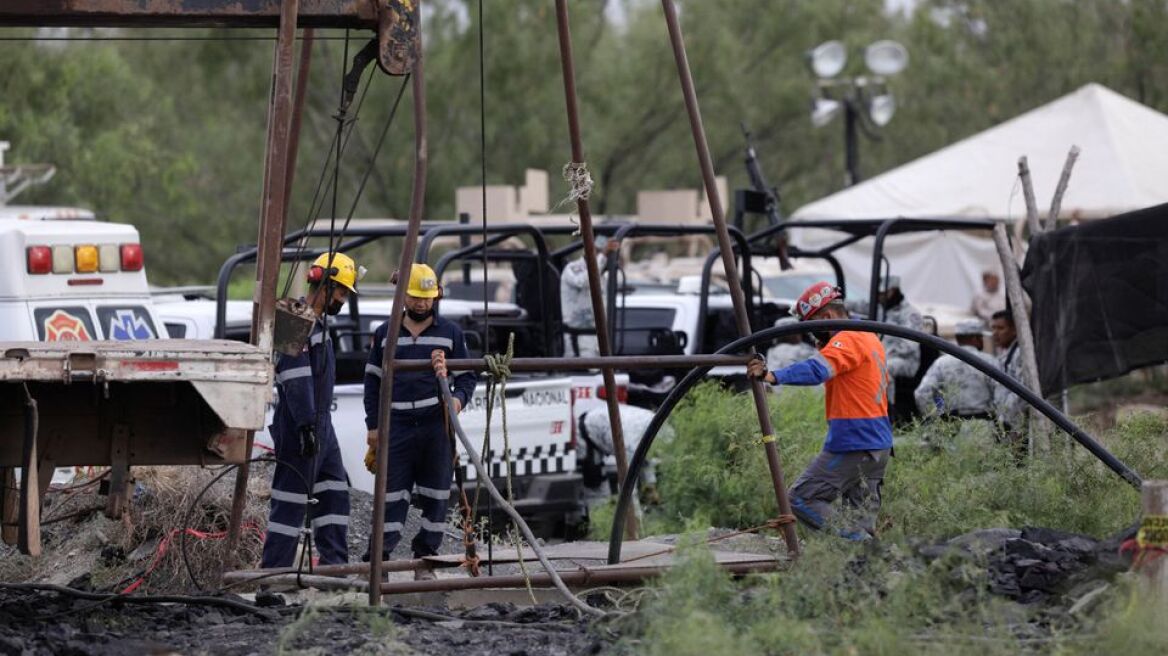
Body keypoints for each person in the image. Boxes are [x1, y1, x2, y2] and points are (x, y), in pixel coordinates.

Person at [747, 281, 892, 541]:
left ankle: (861, 542)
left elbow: (817, 370)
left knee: (801, 498)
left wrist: (771, 375)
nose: (814, 337)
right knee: (858, 517)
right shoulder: (868, 336)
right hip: (878, 445)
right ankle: (867, 571)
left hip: (854, 443)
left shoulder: (848, 339)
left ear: (827, 317)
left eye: (813, 326)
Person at [363, 263, 476, 579]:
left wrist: (457, 400)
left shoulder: (451, 334)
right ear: (403, 296)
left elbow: (467, 377)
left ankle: (426, 559)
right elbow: (372, 383)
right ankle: (378, 561)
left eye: (427, 298)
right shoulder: (385, 334)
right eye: (415, 298)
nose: (422, 304)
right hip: (396, 423)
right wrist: (373, 426)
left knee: (437, 494)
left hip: (435, 425)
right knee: (391, 495)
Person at [261, 252, 361, 569]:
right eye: (342, 292)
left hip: (322, 426)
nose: (343, 300)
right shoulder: (294, 317)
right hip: (299, 427)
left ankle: (334, 568)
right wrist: (306, 425)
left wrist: (317, 426)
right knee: (290, 501)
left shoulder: (320, 324)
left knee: (334, 493)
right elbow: (295, 374)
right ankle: (272, 575)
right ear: (325, 285)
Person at [577, 404, 673, 506]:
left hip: (608, 423)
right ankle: (597, 517)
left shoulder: (662, 430)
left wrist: (650, 485)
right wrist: (635, 518)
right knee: (596, 487)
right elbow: (627, 488)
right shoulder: (630, 446)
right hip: (587, 433)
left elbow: (649, 458)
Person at [914, 320, 997, 420]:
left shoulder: (941, 363)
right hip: (983, 425)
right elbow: (1001, 394)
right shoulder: (990, 361)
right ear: (975, 338)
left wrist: (936, 418)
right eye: (981, 337)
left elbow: (922, 393)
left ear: (957, 338)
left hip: (953, 427)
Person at [560, 237, 617, 357]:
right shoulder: (573, 268)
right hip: (579, 336)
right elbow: (583, 281)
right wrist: (603, 256)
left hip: (596, 335)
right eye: (598, 252)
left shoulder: (602, 276)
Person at [878, 275, 923, 424]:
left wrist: (884, 356)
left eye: (884, 294)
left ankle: (887, 410)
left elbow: (909, 345)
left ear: (893, 291)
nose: (880, 297)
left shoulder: (911, 314)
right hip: (884, 356)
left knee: (884, 368)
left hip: (906, 361)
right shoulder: (883, 310)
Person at [990, 309, 1026, 438]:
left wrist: (1006, 421)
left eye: (1000, 328)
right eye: (993, 328)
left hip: (1017, 427)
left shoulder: (1021, 354)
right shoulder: (1005, 354)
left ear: (1014, 330)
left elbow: (1022, 391)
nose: (995, 333)